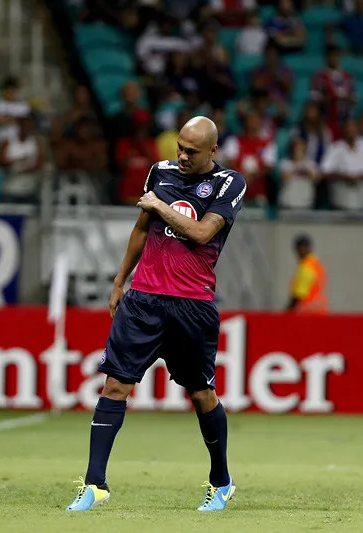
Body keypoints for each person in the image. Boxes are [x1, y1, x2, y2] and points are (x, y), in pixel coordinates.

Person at [66, 117, 247, 513]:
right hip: (143, 300)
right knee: (115, 386)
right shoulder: (160, 172)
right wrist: (120, 280)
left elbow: (202, 233)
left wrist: (159, 205)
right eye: (179, 146)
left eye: (191, 151)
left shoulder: (229, 183)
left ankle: (221, 481)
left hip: (192, 306)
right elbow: (141, 230)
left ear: (212, 151)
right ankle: (95, 484)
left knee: (201, 394)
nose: (181, 155)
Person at [286, 234, 327, 313]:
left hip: (306, 313)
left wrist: (287, 313)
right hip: (319, 311)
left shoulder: (306, 266)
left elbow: (299, 294)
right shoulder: (316, 263)